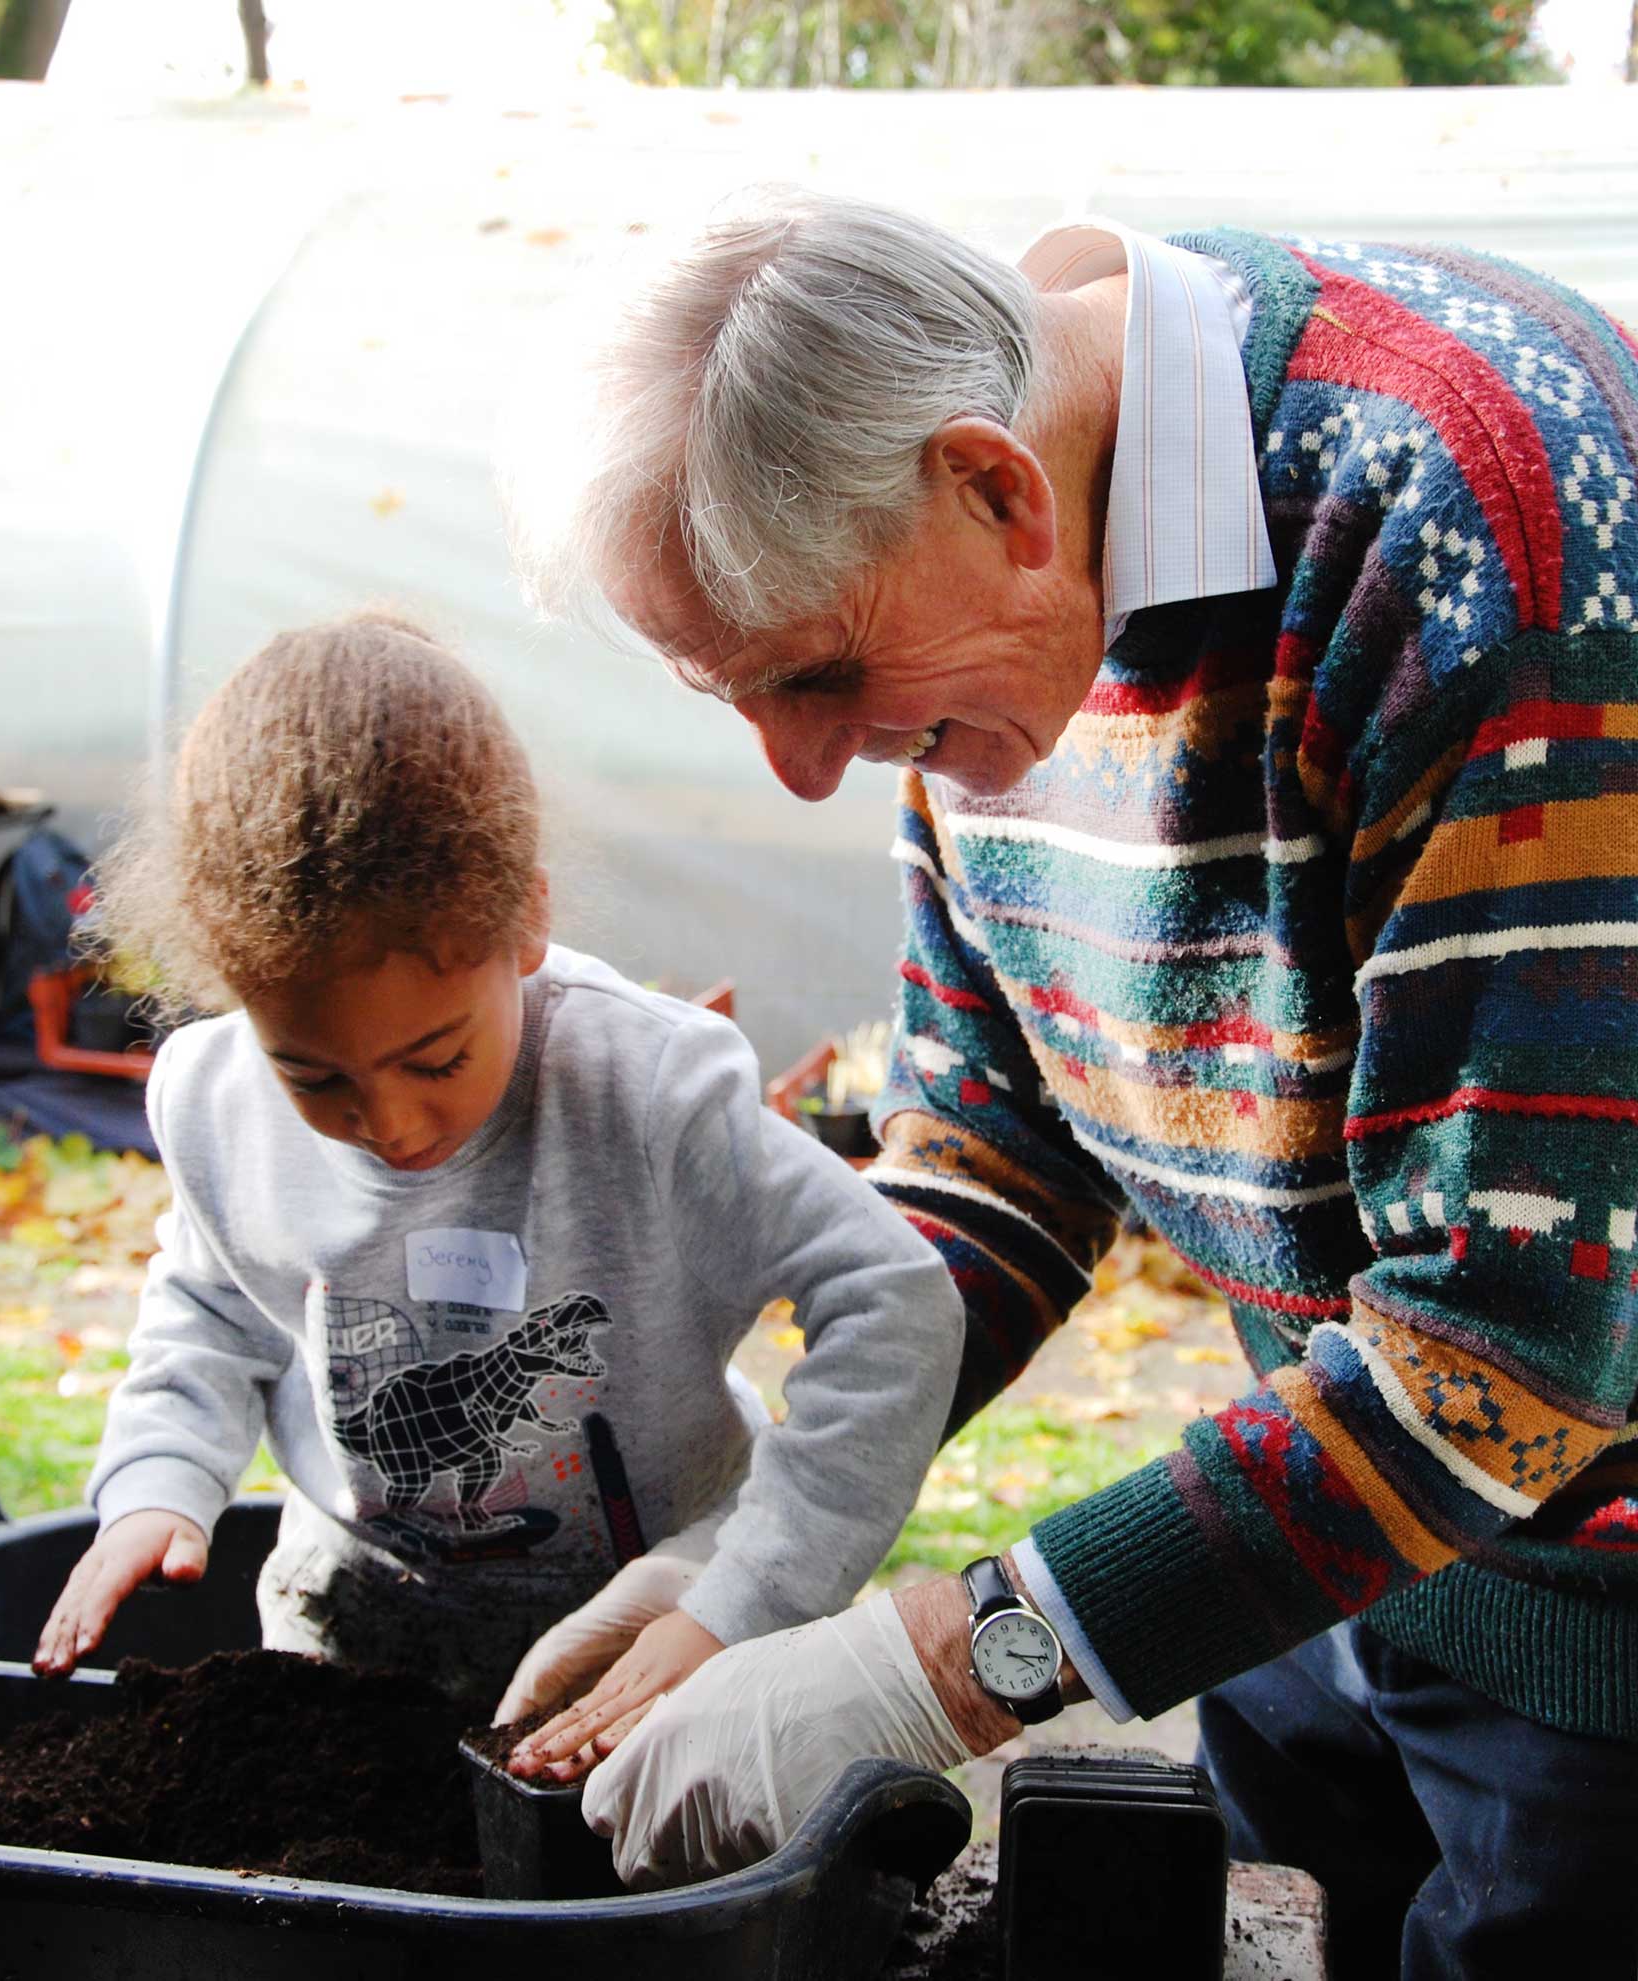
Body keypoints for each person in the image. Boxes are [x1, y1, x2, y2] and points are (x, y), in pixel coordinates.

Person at [504, 188, 1638, 1975]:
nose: (806, 771)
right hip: (1335, 1511)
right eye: (732, 696)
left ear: (1000, 489)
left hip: (1604, 1615)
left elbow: (1516, 1349)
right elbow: (996, 1144)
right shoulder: (979, 561)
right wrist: (764, 1549)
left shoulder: (1473, 532)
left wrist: (941, 1664)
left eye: (816, 678)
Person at [30, 609, 964, 1764]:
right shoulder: (212, 1099)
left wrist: (736, 1601)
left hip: (650, 1626)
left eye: (435, 1058)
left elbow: (897, 1304)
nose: (391, 1123)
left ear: (525, 918)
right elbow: (212, 1309)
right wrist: (160, 1482)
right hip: (356, 1621)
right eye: (313, 1074)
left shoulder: (651, 1090)